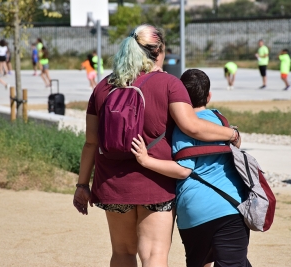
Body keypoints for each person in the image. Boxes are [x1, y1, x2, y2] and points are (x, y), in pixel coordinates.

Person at [73, 24, 240, 267]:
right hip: (156, 183)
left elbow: (91, 143)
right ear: (159, 50)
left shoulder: (103, 87)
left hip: (113, 184)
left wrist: (82, 184)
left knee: (122, 252)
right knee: (153, 255)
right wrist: (231, 133)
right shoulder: (169, 84)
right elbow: (192, 126)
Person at [131, 69, 251, 267]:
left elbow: (184, 169)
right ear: (209, 96)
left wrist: (145, 160)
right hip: (230, 206)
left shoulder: (180, 128)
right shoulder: (220, 120)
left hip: (194, 214)